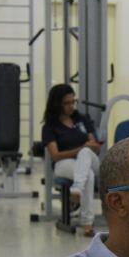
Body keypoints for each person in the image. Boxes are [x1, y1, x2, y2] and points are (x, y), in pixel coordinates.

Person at [42, 83, 101, 237]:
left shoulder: (81, 119)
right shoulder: (50, 127)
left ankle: (77, 189)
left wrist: (88, 148)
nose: (71, 106)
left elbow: (94, 146)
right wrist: (79, 149)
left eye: (73, 102)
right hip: (64, 163)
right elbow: (55, 155)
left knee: (86, 154)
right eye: (66, 103)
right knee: (88, 175)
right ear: (57, 104)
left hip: (90, 160)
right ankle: (87, 223)